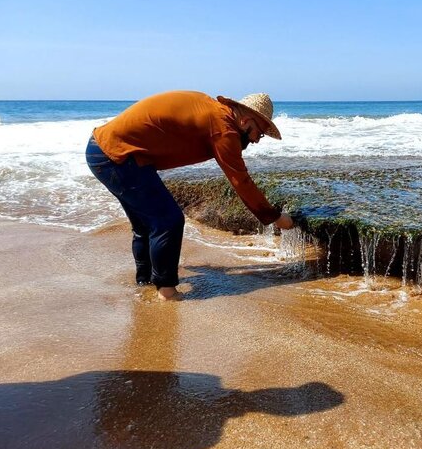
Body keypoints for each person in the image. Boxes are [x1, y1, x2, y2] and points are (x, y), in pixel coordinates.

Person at [85, 91, 293, 301]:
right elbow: (240, 181)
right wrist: (274, 217)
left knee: (145, 226)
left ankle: (145, 281)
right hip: (117, 157)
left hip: (105, 149)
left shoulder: (212, 110)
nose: (257, 140)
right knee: (168, 220)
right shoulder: (224, 127)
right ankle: (166, 290)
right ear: (247, 120)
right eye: (260, 133)